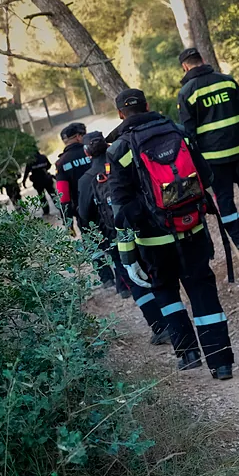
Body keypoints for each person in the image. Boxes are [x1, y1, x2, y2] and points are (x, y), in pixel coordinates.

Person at [108, 88, 235, 379]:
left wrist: (128, 258)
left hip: (153, 243)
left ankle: (188, 354)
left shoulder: (119, 150)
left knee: (165, 291)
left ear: (120, 115)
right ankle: (221, 363)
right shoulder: (178, 132)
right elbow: (207, 177)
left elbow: (121, 211)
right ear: (147, 106)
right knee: (203, 291)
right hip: (192, 230)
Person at [77, 130, 170, 346]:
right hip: (141, 229)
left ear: (87, 153)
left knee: (135, 282)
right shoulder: (121, 161)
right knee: (153, 274)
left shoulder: (87, 180)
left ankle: (160, 326)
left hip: (114, 238)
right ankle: (174, 320)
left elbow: (84, 214)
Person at [177, 47, 239, 249]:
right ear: (202, 59)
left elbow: (189, 132)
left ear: (185, 67)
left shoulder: (186, 93)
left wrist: (193, 162)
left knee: (224, 197)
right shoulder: (227, 81)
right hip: (237, 148)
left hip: (213, 158)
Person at [54, 121, 92, 224]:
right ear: (78, 137)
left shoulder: (61, 163)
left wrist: (68, 222)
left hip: (82, 211)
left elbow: (63, 195)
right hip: (104, 205)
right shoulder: (92, 151)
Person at [22, 149, 54, 216]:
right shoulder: (43, 157)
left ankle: (46, 211)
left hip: (38, 182)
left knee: (42, 197)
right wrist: (43, 169)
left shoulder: (30, 161)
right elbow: (49, 165)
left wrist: (24, 182)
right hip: (46, 179)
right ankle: (60, 207)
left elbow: (26, 172)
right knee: (53, 194)